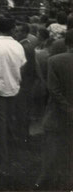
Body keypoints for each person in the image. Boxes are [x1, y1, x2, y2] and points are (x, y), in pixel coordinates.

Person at [0, 16, 26, 164]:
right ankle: (8, 151)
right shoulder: (18, 46)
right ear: (12, 29)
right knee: (9, 120)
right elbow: (22, 66)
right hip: (13, 87)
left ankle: (2, 155)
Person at [35, 29, 73, 190]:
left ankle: (44, 181)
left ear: (67, 43)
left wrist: (69, 109)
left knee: (51, 152)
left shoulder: (55, 61)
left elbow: (54, 91)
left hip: (58, 115)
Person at [14, 21, 37, 143]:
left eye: (19, 31)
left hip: (23, 84)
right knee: (23, 111)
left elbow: (24, 68)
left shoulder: (23, 47)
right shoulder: (28, 45)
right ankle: (23, 136)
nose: (16, 33)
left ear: (25, 33)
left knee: (21, 112)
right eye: (16, 30)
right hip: (27, 83)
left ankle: (22, 137)